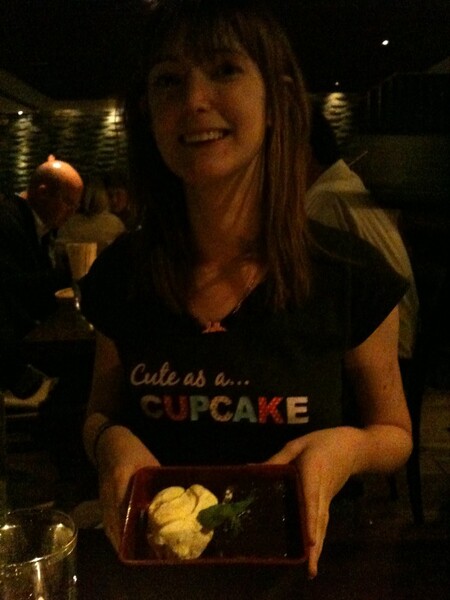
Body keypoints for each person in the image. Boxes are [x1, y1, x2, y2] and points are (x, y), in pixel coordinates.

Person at [79, 0, 412, 579]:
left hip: (300, 572)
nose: (194, 100)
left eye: (225, 69)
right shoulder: (120, 274)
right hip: (159, 576)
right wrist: (109, 443)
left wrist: (342, 451)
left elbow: (395, 433)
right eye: (169, 80)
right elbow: (96, 415)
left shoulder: (349, 272)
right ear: (149, 112)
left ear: (277, 99)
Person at [305, 106, 419, 362]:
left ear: (302, 153)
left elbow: (308, 299)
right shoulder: (345, 186)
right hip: (398, 337)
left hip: (383, 349)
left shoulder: (326, 200)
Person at [0, 155, 83, 400]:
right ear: (43, 192)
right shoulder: (7, 222)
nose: (71, 213)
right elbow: (13, 288)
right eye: (68, 202)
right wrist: (70, 275)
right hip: (14, 361)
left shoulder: (35, 224)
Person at [57, 175, 126, 254]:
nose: (114, 200)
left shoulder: (67, 226)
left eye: (118, 194)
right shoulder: (115, 224)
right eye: (110, 195)